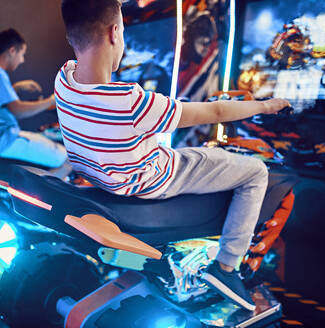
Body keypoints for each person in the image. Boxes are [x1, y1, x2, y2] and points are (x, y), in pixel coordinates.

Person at [57, 0, 290, 311]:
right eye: (124, 31)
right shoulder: (130, 102)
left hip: (101, 179)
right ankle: (226, 267)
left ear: (72, 37)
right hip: (154, 179)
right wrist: (265, 106)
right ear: (115, 33)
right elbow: (217, 110)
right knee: (256, 172)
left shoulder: (63, 78)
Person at [0, 28, 67, 168]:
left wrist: (15, 87)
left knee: (43, 141)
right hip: (1, 140)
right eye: (22, 54)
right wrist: (51, 100)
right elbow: (17, 110)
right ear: (12, 51)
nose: (22, 60)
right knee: (67, 159)